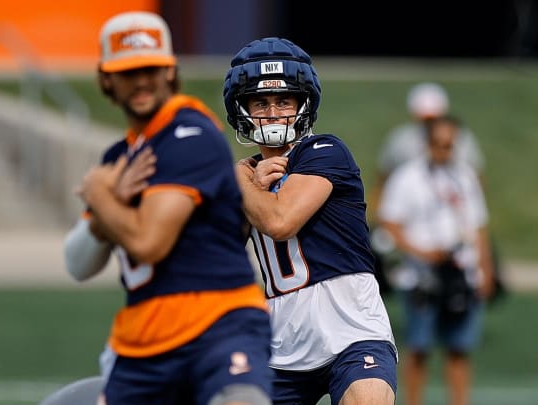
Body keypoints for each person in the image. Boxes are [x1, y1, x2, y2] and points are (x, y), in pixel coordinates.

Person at [62, 11, 273, 405]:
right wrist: (105, 210)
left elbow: (148, 242)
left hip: (217, 321)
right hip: (142, 340)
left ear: (170, 71)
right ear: (106, 79)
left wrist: (102, 197)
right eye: (129, 72)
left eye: (151, 69)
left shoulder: (189, 132)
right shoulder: (119, 155)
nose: (141, 81)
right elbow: (77, 264)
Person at [223, 37, 398, 405]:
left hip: (352, 330)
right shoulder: (247, 177)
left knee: (366, 400)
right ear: (243, 109)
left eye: (284, 100)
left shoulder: (325, 151)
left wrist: (240, 183)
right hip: (280, 341)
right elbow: (218, 260)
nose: (273, 113)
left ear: (304, 104)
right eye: (261, 102)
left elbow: (281, 220)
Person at [377, 115, 496, 405]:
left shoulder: (465, 176)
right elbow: (389, 222)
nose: (444, 150)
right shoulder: (407, 177)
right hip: (421, 276)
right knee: (418, 348)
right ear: (426, 143)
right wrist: (420, 251)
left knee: (459, 348)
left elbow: (479, 225)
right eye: (438, 144)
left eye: (449, 144)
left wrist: (486, 269)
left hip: (460, 274)